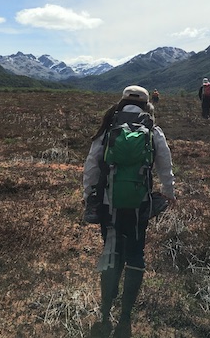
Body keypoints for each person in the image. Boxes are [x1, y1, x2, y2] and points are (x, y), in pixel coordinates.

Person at [82, 85, 176, 338]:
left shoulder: (109, 128)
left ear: (121, 102)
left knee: (111, 250)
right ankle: (125, 315)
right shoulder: (153, 130)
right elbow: (164, 165)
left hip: (108, 202)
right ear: (147, 104)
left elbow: (92, 163)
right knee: (136, 253)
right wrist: (169, 192)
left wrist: (88, 195)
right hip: (140, 202)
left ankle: (104, 312)